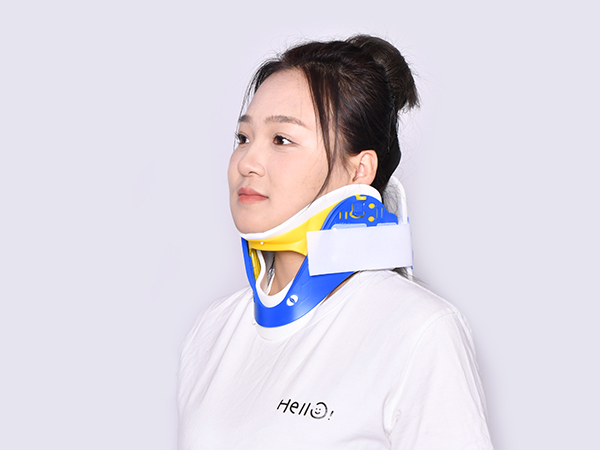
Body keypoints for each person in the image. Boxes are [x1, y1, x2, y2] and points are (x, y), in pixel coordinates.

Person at [178, 35, 494, 449]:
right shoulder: (212, 330)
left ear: (359, 170)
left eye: (281, 139)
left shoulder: (418, 330)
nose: (247, 162)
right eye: (243, 138)